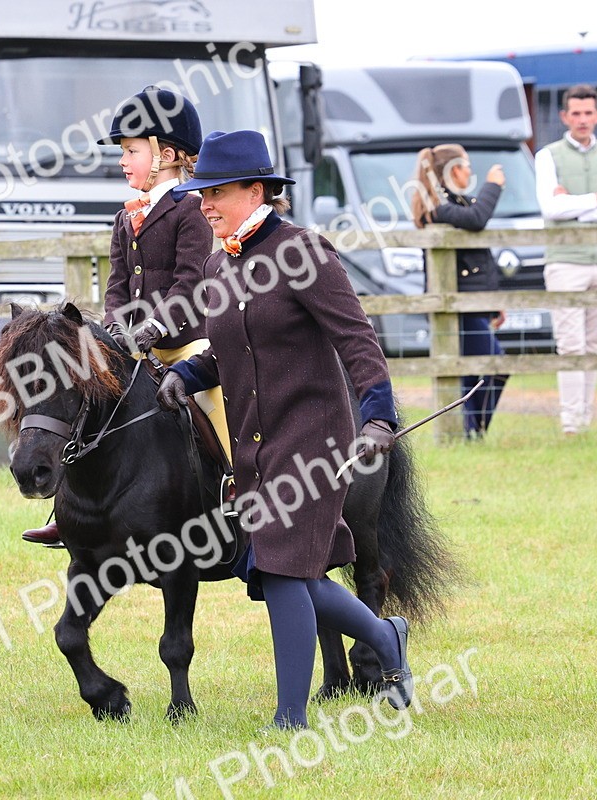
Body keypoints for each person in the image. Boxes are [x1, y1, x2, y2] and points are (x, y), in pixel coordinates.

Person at [156, 129, 412, 728]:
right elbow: (230, 350)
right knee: (290, 573)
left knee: (280, 570)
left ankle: (289, 719)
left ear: (256, 190)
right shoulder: (218, 265)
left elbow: (357, 339)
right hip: (252, 444)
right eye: (201, 194)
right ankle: (386, 636)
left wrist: (379, 414)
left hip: (314, 439)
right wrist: (188, 374)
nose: (205, 205)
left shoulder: (304, 252)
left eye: (216, 193)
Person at [22, 86, 229, 546]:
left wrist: (155, 327)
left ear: (166, 155)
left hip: (185, 342)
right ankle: (69, 509)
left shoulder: (191, 209)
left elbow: (189, 283)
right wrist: (113, 329)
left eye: (131, 151)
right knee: (85, 407)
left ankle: (234, 485)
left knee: (216, 404)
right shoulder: (125, 217)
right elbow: (116, 283)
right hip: (130, 347)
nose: (122, 160)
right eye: (123, 152)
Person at [535, 84, 597, 435]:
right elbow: (551, 208)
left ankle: (585, 419)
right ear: (565, 116)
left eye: (588, 113)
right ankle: (571, 423)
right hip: (565, 260)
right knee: (571, 345)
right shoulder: (547, 156)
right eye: (575, 113)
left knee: (595, 344)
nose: (582, 119)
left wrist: (576, 206)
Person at [410, 144, 509, 439]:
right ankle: (471, 430)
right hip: (456, 306)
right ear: (454, 170)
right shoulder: (439, 207)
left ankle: (472, 432)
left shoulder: (455, 203)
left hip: (471, 303)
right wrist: (493, 185)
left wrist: (493, 302)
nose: (470, 172)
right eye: (466, 166)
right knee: (494, 364)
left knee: (472, 370)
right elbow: (478, 218)